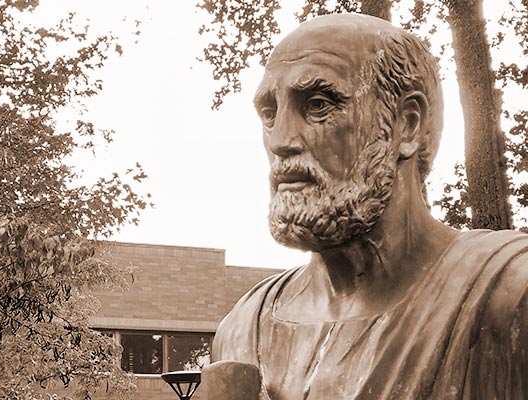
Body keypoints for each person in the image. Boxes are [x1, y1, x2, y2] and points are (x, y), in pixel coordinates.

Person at [205, 13, 528, 400]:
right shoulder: (242, 330)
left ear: (406, 123)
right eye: (270, 113)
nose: (281, 141)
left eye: (318, 104)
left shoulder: (508, 296)